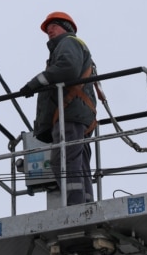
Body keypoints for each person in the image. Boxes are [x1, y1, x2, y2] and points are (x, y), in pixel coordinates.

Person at [20, 11, 97, 206]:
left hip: (69, 114)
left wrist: (35, 83)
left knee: (64, 161)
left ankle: (75, 206)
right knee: (79, 163)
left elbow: (67, 68)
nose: (49, 30)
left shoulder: (68, 43)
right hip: (76, 114)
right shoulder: (71, 46)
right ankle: (86, 204)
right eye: (47, 28)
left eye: (53, 25)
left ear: (66, 28)